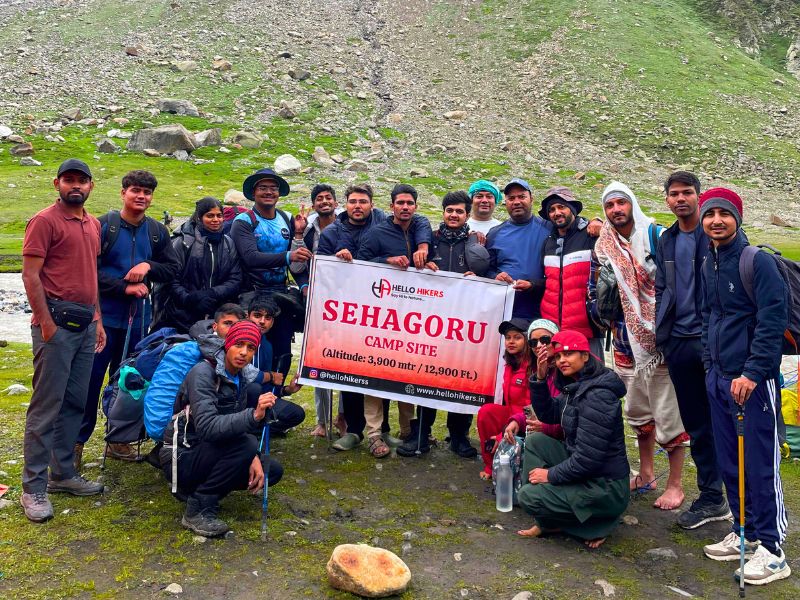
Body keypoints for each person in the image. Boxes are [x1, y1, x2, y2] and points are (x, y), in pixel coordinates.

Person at [699, 188, 791, 585]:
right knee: (729, 461)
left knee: (759, 461)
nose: (716, 220)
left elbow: (773, 322)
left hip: (752, 382)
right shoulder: (710, 261)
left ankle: (772, 549)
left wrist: (752, 374)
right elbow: (709, 316)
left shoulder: (760, 262)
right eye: (710, 214)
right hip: (719, 378)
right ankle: (745, 532)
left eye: (724, 213)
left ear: (738, 216)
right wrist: (709, 364)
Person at [20, 159, 107, 522]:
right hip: (55, 325)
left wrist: (99, 320)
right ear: (57, 183)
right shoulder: (44, 221)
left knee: (75, 401)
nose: (76, 186)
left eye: (82, 181)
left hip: (87, 325)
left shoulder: (94, 224)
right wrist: (44, 321)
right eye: (69, 180)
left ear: (90, 186)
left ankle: (63, 474)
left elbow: (91, 276)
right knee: (46, 406)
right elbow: (30, 274)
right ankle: (33, 488)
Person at [592, 181, 688, 511]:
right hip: (622, 341)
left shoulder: (655, 236)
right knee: (637, 413)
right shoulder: (604, 244)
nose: (616, 210)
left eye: (621, 202)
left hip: (657, 344)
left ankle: (675, 484)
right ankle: (646, 473)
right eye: (609, 205)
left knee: (667, 414)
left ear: (632, 203)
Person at [79, 170, 179, 464]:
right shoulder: (103, 226)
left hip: (138, 322)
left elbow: (172, 268)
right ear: (123, 192)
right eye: (136, 190)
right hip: (103, 320)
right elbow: (90, 272)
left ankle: (118, 440)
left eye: (147, 192)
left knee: (127, 382)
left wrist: (148, 266)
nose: (141, 197)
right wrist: (125, 286)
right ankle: (76, 444)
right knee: (91, 382)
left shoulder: (157, 231)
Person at [655, 171, 729, 530]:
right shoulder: (667, 238)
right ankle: (712, 497)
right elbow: (661, 287)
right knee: (697, 424)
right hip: (679, 343)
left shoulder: (716, 232)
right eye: (674, 194)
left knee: (727, 420)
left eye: (687, 192)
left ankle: (744, 496)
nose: (680, 198)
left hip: (712, 342)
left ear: (698, 196)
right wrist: (663, 333)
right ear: (667, 199)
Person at [160, 320, 284, 537]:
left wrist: (252, 456)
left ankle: (205, 490)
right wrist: (253, 416)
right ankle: (198, 505)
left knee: (270, 470)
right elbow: (207, 428)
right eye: (239, 344)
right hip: (183, 456)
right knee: (247, 444)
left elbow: (232, 424)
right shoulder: (203, 373)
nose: (244, 353)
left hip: (211, 450)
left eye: (251, 348)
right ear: (227, 343)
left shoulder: (241, 377)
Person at [516, 330, 629, 549]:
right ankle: (547, 519)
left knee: (529, 497)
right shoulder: (576, 386)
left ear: (585, 356)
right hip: (588, 473)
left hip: (606, 486)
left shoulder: (598, 395)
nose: (561, 361)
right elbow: (550, 414)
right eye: (558, 357)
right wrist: (539, 380)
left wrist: (550, 475)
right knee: (536, 442)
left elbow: (588, 459)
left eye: (569, 355)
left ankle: (598, 524)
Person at [397, 190, 489, 458]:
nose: (454, 215)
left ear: (467, 215)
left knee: (461, 380)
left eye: (460, 211)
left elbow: (489, 272)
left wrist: (478, 277)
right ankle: (421, 434)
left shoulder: (476, 242)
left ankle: (459, 436)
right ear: (443, 213)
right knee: (425, 378)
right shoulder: (428, 240)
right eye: (450, 210)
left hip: (463, 325)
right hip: (429, 323)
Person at [357, 184, 434, 457]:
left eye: (409, 203)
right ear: (391, 206)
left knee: (408, 374)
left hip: (412, 319)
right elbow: (360, 262)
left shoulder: (420, 227)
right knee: (376, 375)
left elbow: (429, 254)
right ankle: (374, 434)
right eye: (400, 203)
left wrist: (430, 260)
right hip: (382, 317)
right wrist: (386, 260)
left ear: (415, 206)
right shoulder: (377, 232)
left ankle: (407, 430)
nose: (405, 207)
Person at [316, 183, 385, 455]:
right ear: (345, 204)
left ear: (372, 204)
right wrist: (336, 260)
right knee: (349, 370)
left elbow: (386, 257)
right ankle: (354, 429)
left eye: (363, 201)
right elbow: (321, 268)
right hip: (346, 314)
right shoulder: (332, 232)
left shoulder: (383, 226)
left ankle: (381, 430)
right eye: (353, 201)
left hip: (379, 310)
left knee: (380, 369)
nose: (358, 206)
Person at [231, 168, 310, 377]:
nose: (269, 192)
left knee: (283, 348)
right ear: (253, 193)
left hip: (281, 295)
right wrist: (287, 256)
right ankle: (251, 399)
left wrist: (303, 285)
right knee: (252, 348)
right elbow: (250, 257)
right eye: (263, 188)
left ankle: (277, 395)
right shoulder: (244, 221)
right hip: (252, 295)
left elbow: (298, 257)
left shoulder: (286, 218)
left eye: (273, 188)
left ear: (279, 193)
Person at [288, 183, 343, 438]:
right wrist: (304, 286)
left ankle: (342, 417)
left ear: (335, 201)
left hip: (345, 302)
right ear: (313, 205)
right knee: (319, 360)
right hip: (317, 303)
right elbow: (297, 269)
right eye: (319, 198)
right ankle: (322, 421)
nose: (324, 201)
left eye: (328, 197)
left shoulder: (346, 226)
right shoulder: (306, 230)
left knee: (345, 361)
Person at [151, 197, 242, 333]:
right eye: (210, 216)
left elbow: (235, 278)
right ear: (199, 218)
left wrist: (212, 294)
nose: (216, 220)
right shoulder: (182, 243)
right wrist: (190, 298)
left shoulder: (228, 243)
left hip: (216, 314)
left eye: (219, 216)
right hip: (181, 316)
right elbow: (171, 278)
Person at [538, 186, 605, 359]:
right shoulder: (548, 242)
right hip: (554, 329)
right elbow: (549, 282)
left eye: (561, 207)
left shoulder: (591, 234)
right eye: (551, 210)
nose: (556, 212)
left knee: (591, 379)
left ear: (572, 209)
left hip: (587, 329)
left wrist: (601, 223)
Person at [486, 178, 551, 319]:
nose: (516, 202)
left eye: (522, 197)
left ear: (531, 199)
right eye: (511, 198)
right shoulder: (495, 233)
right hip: (504, 310)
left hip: (541, 311)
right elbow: (487, 269)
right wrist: (495, 276)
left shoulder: (550, 228)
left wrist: (596, 221)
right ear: (506, 202)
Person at [476, 318, 532, 480]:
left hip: (526, 419)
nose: (511, 342)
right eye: (508, 338)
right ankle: (490, 464)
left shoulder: (532, 366)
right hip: (511, 415)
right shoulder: (510, 363)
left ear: (527, 340)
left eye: (517, 337)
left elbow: (530, 408)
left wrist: (502, 435)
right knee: (487, 411)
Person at [245, 295, 305, 435]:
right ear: (248, 316)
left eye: (268, 318)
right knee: (253, 388)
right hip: (235, 397)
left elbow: (266, 390)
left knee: (297, 414)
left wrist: (287, 390)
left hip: (258, 400)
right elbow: (244, 375)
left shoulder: (267, 346)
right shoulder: (240, 338)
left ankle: (252, 430)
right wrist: (271, 376)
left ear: (272, 322)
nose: (262, 321)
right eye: (257, 315)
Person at [503, 319, 564, 443]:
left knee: (533, 441)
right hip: (532, 423)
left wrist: (546, 427)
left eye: (545, 340)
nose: (539, 346)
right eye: (533, 342)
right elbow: (534, 408)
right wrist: (517, 420)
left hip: (569, 442)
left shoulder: (566, 369)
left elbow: (573, 416)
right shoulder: (539, 368)